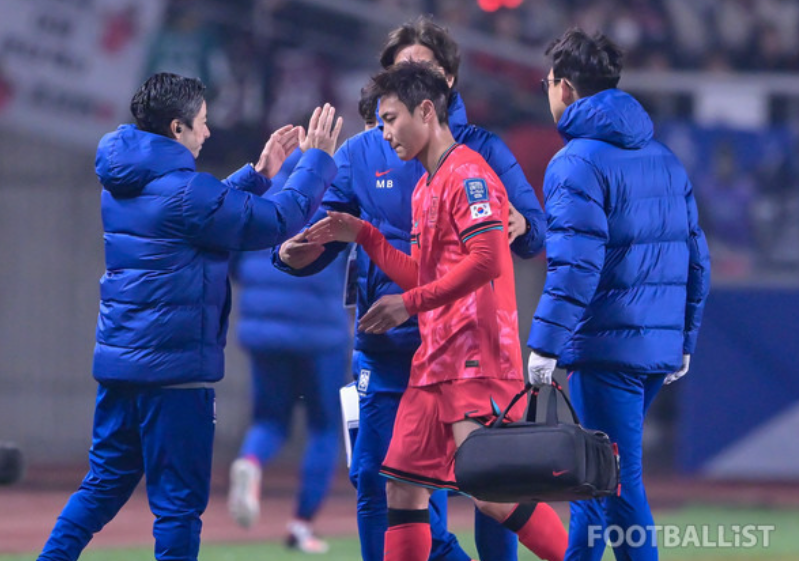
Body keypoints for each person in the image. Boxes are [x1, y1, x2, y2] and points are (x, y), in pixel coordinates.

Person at [37, 72, 343, 561]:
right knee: (178, 506)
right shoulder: (187, 194)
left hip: (121, 367)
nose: (207, 133)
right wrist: (317, 162)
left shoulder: (123, 182)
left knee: (101, 487)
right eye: (202, 123)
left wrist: (259, 174)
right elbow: (276, 220)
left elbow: (193, 208)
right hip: (175, 375)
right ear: (177, 128)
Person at [274, 16, 549, 561]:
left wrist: (519, 225)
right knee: (389, 485)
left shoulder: (475, 156)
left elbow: (524, 236)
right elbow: (329, 241)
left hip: (465, 348)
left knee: (486, 489)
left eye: (420, 70)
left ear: (443, 85)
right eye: (399, 71)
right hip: (393, 350)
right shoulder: (364, 152)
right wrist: (294, 252)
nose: (407, 79)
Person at [525, 29, 711, 561]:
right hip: (652, 347)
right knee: (591, 485)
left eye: (548, 83)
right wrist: (685, 340)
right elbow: (698, 256)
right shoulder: (665, 157)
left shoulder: (575, 162)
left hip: (607, 350)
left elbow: (575, 266)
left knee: (619, 488)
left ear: (563, 86)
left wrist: (544, 345)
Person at [226, 154, 354, 556]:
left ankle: (251, 460)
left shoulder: (255, 199)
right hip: (321, 334)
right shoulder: (332, 199)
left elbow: (231, 262)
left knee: (269, 420)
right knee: (322, 428)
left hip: (263, 331)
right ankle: (300, 526)